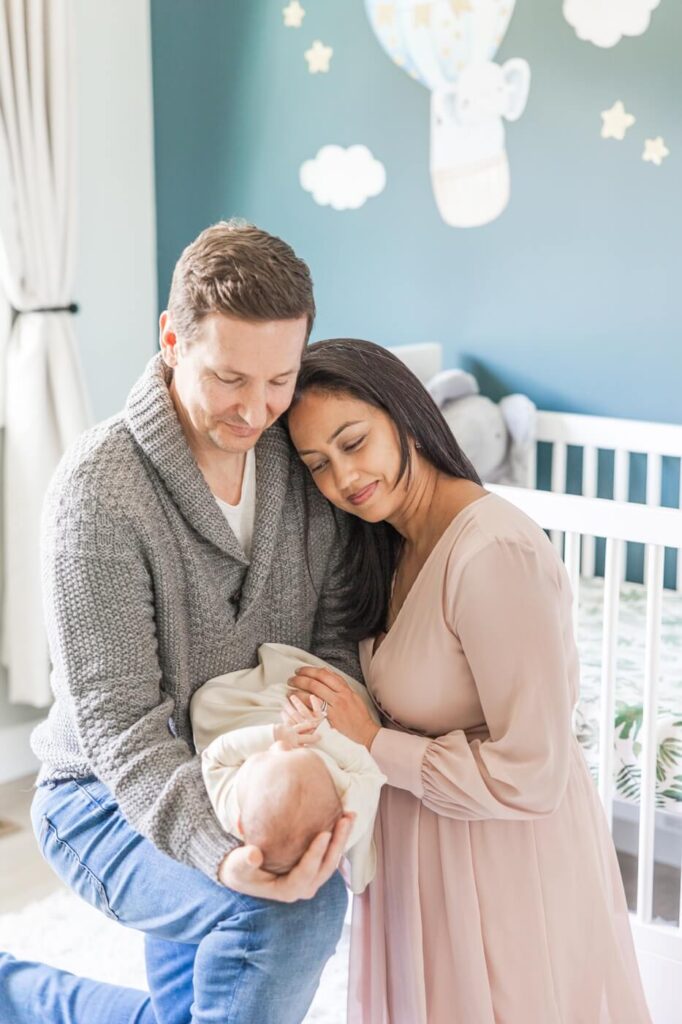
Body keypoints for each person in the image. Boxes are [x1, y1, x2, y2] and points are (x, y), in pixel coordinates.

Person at [0, 222, 358, 1024]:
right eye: (229, 377)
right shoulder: (99, 491)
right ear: (171, 340)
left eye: (280, 379)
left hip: (250, 774)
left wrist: (302, 762)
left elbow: (335, 636)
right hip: (103, 794)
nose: (256, 409)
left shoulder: (298, 455)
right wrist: (222, 849)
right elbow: (119, 725)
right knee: (289, 914)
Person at [285, 338, 653, 1024]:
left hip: (499, 859)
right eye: (318, 465)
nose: (343, 477)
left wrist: (376, 743)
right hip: (424, 853)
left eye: (354, 442)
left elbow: (533, 773)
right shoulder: (391, 544)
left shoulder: (492, 552)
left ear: (405, 415)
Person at [191, 641, 386, 890]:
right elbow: (369, 771)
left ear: (240, 824)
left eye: (269, 757)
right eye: (299, 754)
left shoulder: (232, 804)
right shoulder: (347, 810)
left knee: (207, 702)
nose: (284, 746)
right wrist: (320, 734)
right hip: (316, 727)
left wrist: (273, 735)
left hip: (251, 720)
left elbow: (214, 756)